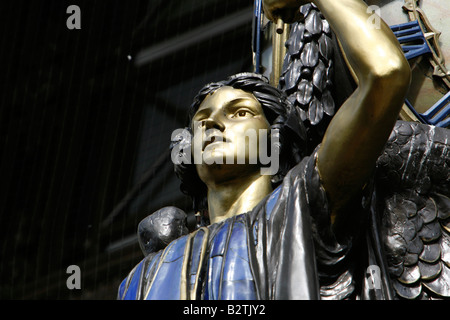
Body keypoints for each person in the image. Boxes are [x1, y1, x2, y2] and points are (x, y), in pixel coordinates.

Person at [118, 0, 411, 300]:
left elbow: (385, 73)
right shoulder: (144, 276)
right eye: (201, 121)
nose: (213, 125)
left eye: (239, 113)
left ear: (275, 138)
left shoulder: (303, 205)